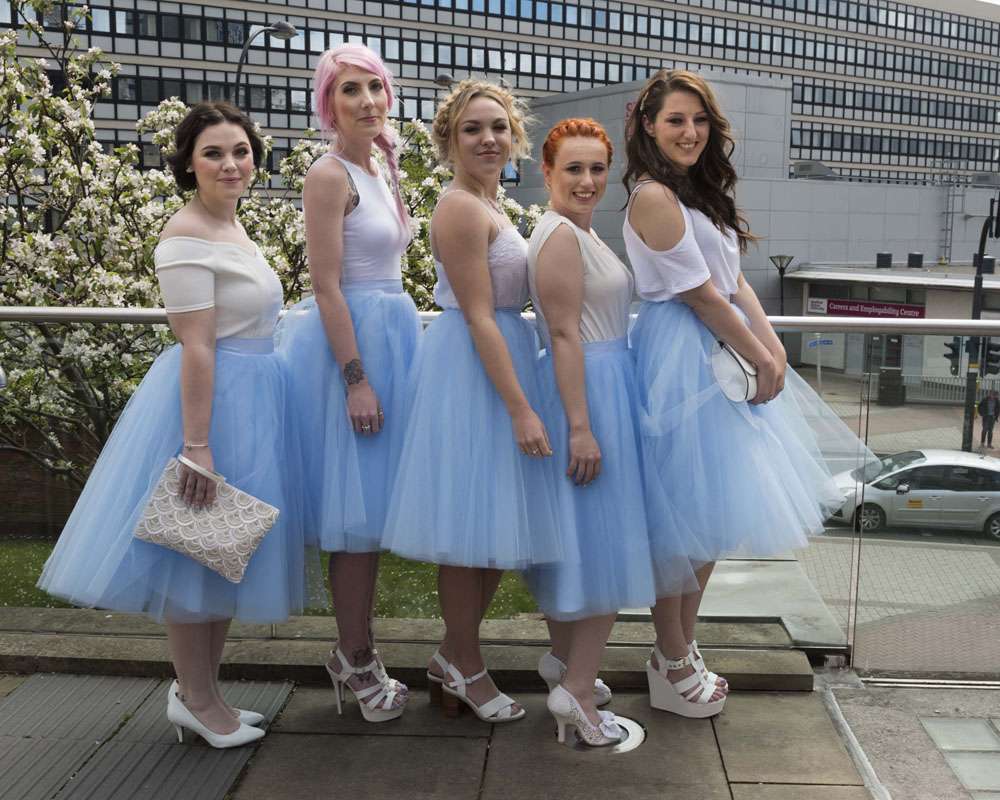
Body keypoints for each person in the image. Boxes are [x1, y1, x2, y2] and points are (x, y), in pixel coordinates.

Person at [38, 102, 314, 747]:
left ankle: (204, 693)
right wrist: (198, 445)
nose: (231, 164)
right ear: (188, 164)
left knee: (222, 551)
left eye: (241, 151)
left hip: (253, 400)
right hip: (211, 407)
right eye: (213, 153)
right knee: (195, 555)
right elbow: (196, 343)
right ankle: (195, 698)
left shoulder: (233, 227)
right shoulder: (185, 234)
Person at [623, 69, 871, 717]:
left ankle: (680, 646)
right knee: (680, 519)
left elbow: (734, 284)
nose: (690, 132)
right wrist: (759, 353)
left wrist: (774, 349)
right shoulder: (652, 195)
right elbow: (699, 294)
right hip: (682, 355)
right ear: (648, 125)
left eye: (700, 120)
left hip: (718, 352)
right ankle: (670, 655)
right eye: (676, 120)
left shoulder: (701, 194)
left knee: (709, 519)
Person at [383, 79, 562, 723]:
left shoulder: (492, 203)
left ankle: (450, 657)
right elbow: (481, 315)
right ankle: (465, 663)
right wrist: (520, 407)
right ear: (449, 141)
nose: (488, 139)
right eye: (472, 129)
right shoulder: (460, 208)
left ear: (514, 136)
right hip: (475, 373)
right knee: (468, 530)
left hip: (501, 361)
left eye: (498, 127)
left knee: (491, 525)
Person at [522, 118, 696, 745]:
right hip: (591, 392)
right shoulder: (560, 236)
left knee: (589, 538)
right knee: (608, 542)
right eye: (574, 168)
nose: (588, 180)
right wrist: (581, 427)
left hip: (601, 387)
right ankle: (575, 691)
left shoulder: (577, 231)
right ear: (547, 171)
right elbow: (563, 334)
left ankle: (568, 667)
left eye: (597, 168)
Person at [277, 44, 418, 722]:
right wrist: (356, 380)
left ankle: (357, 649)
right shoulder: (329, 174)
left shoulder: (381, 167)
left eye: (375, 87)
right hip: (354, 348)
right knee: (354, 518)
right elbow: (326, 285)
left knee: (375, 511)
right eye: (350, 90)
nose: (367, 101)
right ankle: (355, 656)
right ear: (328, 104)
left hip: (394, 337)